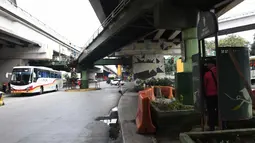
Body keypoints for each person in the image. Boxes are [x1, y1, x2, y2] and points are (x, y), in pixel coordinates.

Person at [204, 60, 218, 131]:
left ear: (212, 64)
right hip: (219, 96)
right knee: (220, 110)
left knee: (211, 111)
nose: (207, 65)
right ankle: (222, 125)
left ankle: (212, 126)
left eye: (208, 64)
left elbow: (204, 85)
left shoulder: (207, 74)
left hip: (210, 96)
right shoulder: (220, 72)